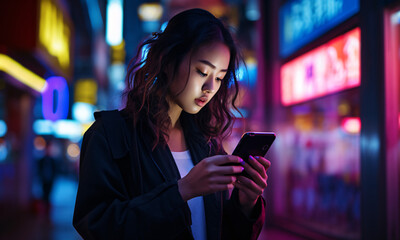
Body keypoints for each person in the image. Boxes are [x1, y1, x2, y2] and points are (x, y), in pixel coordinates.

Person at [73, 8, 270, 240]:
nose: (210, 87)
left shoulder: (208, 145)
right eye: (201, 71)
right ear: (168, 61)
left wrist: (246, 203)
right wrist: (182, 190)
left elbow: (217, 231)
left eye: (219, 77)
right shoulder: (109, 134)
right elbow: (97, 227)